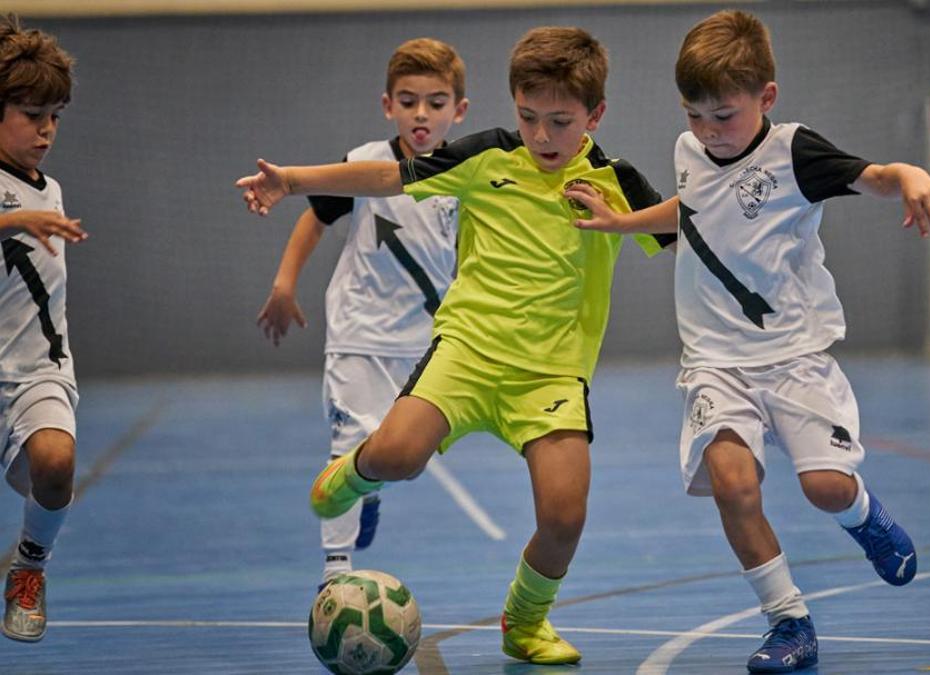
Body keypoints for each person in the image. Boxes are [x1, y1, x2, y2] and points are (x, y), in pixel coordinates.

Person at [237, 26, 668, 665]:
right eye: (528, 117)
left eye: (560, 121)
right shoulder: (485, 156)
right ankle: (350, 477)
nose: (542, 136)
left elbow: (696, 223)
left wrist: (625, 222)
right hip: (466, 353)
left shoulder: (614, 180)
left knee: (565, 516)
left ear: (595, 115)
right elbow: (387, 176)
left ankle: (524, 623)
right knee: (399, 455)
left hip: (550, 379)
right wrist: (294, 180)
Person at [567, 10, 930, 672]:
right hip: (716, 361)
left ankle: (864, 516)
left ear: (765, 97)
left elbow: (875, 177)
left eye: (725, 115)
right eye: (695, 115)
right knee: (731, 482)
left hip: (794, 355)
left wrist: (910, 174)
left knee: (826, 487)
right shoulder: (690, 152)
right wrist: (618, 222)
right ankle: (788, 620)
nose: (709, 132)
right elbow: (693, 208)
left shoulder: (795, 153)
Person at [256, 38, 468, 588]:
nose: (422, 114)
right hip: (359, 332)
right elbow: (316, 217)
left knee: (408, 459)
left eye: (437, 102)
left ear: (459, 111)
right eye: (409, 100)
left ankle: (365, 485)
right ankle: (336, 572)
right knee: (346, 440)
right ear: (387, 105)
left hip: (428, 343)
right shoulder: (364, 163)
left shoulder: (465, 175)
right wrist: (285, 283)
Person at [0, 13, 87, 643]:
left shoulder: (48, 191)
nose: (47, 129)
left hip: (37, 369)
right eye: (33, 114)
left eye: (54, 115)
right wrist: (14, 223)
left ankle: (29, 568)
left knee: (55, 464)